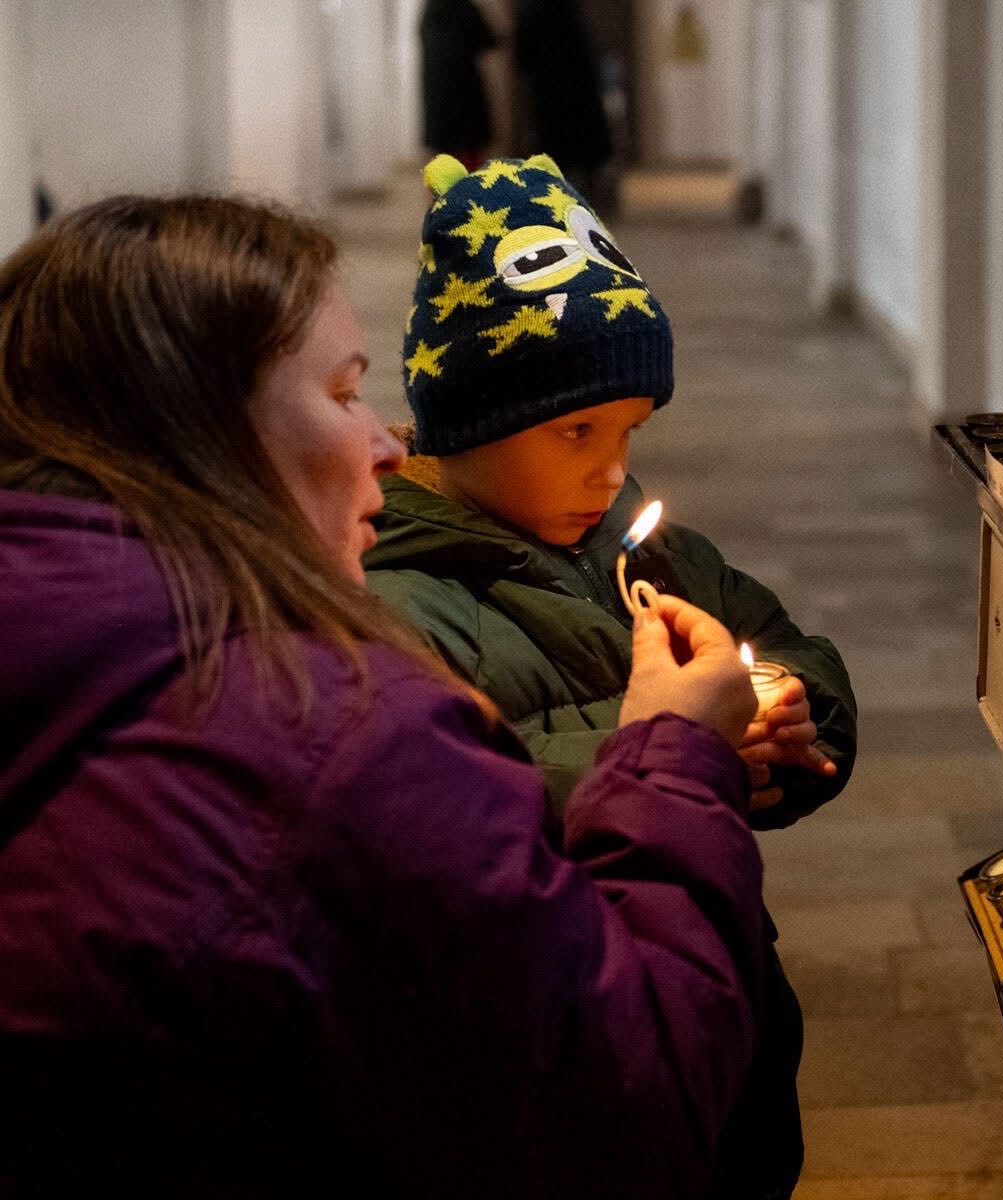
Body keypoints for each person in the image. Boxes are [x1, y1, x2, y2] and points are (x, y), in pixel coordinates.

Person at [0, 194, 770, 1198]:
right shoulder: (337, 735)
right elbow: (632, 1104)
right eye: (343, 391)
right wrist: (671, 755)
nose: (390, 445)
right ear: (203, 431)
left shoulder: (66, 648)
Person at [366, 152, 859, 1198]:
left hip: (722, 1002)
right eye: (575, 430)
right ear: (468, 419)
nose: (610, 468)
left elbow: (786, 640)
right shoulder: (396, 599)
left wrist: (785, 709)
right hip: (568, 1042)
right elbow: (459, 799)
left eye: (630, 430)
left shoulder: (630, 538)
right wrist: (675, 751)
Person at [511, 0, 613, 204]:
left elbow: (523, 58)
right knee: (584, 149)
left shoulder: (532, 12)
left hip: (550, 90)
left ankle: (560, 198)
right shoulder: (570, 10)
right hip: (578, 87)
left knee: (558, 151)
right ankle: (588, 197)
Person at [419, 0, 496, 170]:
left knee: (443, 151)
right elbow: (488, 40)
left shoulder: (429, 11)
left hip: (438, 93)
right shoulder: (465, 8)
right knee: (470, 149)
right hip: (466, 90)